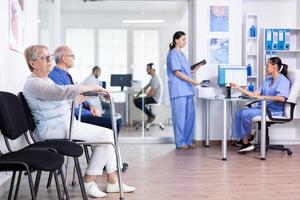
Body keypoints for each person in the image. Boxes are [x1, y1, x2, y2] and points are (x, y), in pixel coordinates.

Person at [23, 45, 135, 198]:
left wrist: (94, 93)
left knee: (108, 135)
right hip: (52, 129)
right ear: (32, 63)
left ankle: (112, 181)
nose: (49, 60)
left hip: (64, 124)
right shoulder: (33, 84)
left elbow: (70, 101)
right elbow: (61, 93)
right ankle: (89, 181)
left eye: (49, 56)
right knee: (107, 136)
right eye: (44, 58)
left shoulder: (46, 80)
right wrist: (94, 86)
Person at [48, 47, 123, 137]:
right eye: (72, 56)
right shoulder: (55, 76)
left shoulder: (65, 75)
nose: (74, 59)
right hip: (76, 117)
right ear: (65, 59)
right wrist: (95, 90)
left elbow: (78, 95)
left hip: (84, 112)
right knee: (115, 121)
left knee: (117, 118)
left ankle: (107, 147)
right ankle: (106, 147)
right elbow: (66, 103)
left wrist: (90, 106)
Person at [231, 57, 291, 153]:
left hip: (273, 111)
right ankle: (247, 137)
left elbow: (282, 98)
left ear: (274, 67)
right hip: (263, 108)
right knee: (239, 113)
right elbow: (255, 94)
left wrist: (264, 97)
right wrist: (238, 88)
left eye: (267, 65)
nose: (265, 68)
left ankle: (246, 143)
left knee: (246, 114)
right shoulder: (267, 81)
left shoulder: (283, 81)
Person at [166, 31, 203, 150]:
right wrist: (193, 81)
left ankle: (188, 140)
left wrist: (193, 70)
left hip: (187, 90)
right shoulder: (173, 54)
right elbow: (176, 72)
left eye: (186, 39)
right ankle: (181, 142)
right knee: (180, 117)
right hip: (178, 90)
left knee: (190, 116)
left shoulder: (181, 54)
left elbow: (183, 70)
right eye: (183, 39)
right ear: (176, 40)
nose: (185, 42)